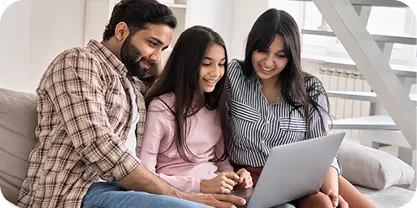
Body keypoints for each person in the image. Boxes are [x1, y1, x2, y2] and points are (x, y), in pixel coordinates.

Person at [16, 1, 245, 208]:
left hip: (121, 189)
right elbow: (99, 145)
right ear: (122, 31)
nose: (156, 57)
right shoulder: (79, 62)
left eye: (163, 49)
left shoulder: (133, 84)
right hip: (75, 192)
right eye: (152, 43)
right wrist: (181, 195)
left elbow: (179, 83)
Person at [227, 8, 375, 208]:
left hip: (299, 178)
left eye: (280, 55)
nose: (268, 62)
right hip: (249, 178)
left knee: (329, 202)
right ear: (252, 46)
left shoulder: (310, 89)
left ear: (291, 56)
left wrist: (331, 190)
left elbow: (323, 149)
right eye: (262, 51)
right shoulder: (233, 76)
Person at [139, 25, 253, 195]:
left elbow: (221, 162)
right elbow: (146, 175)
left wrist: (235, 178)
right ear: (186, 64)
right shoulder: (161, 108)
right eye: (207, 64)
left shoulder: (215, 108)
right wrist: (200, 186)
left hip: (215, 192)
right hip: (179, 195)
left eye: (221, 64)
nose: (216, 73)